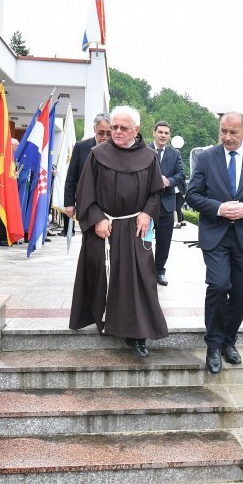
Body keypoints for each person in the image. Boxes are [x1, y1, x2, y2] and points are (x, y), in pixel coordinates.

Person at [69, 105, 167, 359]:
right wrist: (96, 218)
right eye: (114, 127)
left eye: (124, 128)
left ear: (136, 130)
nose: (117, 132)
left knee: (139, 279)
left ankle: (137, 334)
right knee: (102, 275)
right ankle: (102, 319)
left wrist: (147, 212)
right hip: (106, 226)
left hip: (134, 226)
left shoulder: (149, 156)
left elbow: (156, 191)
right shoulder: (97, 154)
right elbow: (85, 191)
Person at [186, 112, 243, 374]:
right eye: (223, 131)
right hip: (216, 234)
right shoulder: (206, 157)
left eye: (233, 132)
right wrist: (219, 208)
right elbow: (193, 194)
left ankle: (229, 341)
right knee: (218, 284)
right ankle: (213, 345)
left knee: (238, 292)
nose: (226, 137)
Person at [149, 121, 186, 286]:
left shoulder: (175, 154)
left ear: (169, 135)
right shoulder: (144, 150)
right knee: (144, 240)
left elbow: (181, 175)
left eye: (166, 133)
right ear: (154, 133)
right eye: (160, 132)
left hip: (167, 204)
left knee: (164, 241)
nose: (163, 135)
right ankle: (144, 270)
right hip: (146, 205)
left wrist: (168, 181)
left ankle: (160, 271)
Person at [63, 113, 111, 221]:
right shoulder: (81, 147)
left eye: (109, 133)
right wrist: (69, 203)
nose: (105, 137)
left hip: (109, 205)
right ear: (94, 129)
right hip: (86, 203)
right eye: (101, 133)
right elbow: (71, 177)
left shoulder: (117, 149)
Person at [0, 138, 20, 247]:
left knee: (10, 214)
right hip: (4, 189)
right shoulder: (4, 156)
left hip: (10, 189)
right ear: (12, 145)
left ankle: (8, 237)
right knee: (3, 213)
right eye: (17, 145)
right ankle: (1, 239)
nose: (18, 148)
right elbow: (2, 174)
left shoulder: (12, 158)